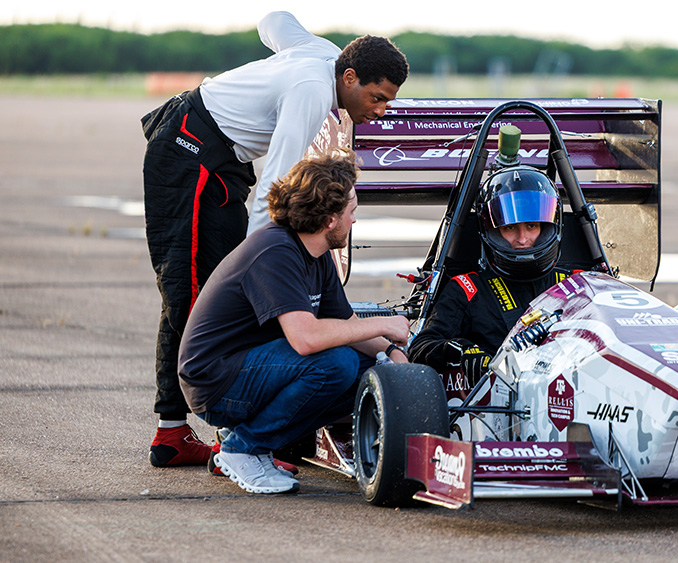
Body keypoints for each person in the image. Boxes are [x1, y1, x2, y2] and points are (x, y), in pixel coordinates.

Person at [142, 11, 408, 468]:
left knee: (218, 291)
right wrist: (263, 266)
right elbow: (273, 191)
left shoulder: (323, 54)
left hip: (223, 162)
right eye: (377, 97)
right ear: (349, 77)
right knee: (187, 289)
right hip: (187, 153)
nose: (381, 110)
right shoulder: (312, 92)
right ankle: (174, 432)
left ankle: (238, 425)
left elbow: (275, 20)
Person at [178, 151, 410, 494]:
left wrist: (392, 354)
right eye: (352, 212)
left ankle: (248, 438)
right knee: (336, 363)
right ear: (330, 219)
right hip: (215, 383)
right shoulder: (276, 252)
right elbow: (306, 340)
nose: (354, 222)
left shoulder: (315, 253)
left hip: (252, 368)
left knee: (367, 370)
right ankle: (244, 448)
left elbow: (343, 323)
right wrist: (382, 324)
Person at [409, 165, 565, 383]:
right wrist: (461, 351)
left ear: (548, 226)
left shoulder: (574, 284)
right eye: (510, 228)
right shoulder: (467, 289)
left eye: (531, 226)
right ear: (492, 231)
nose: (522, 239)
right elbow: (419, 349)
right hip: (498, 405)